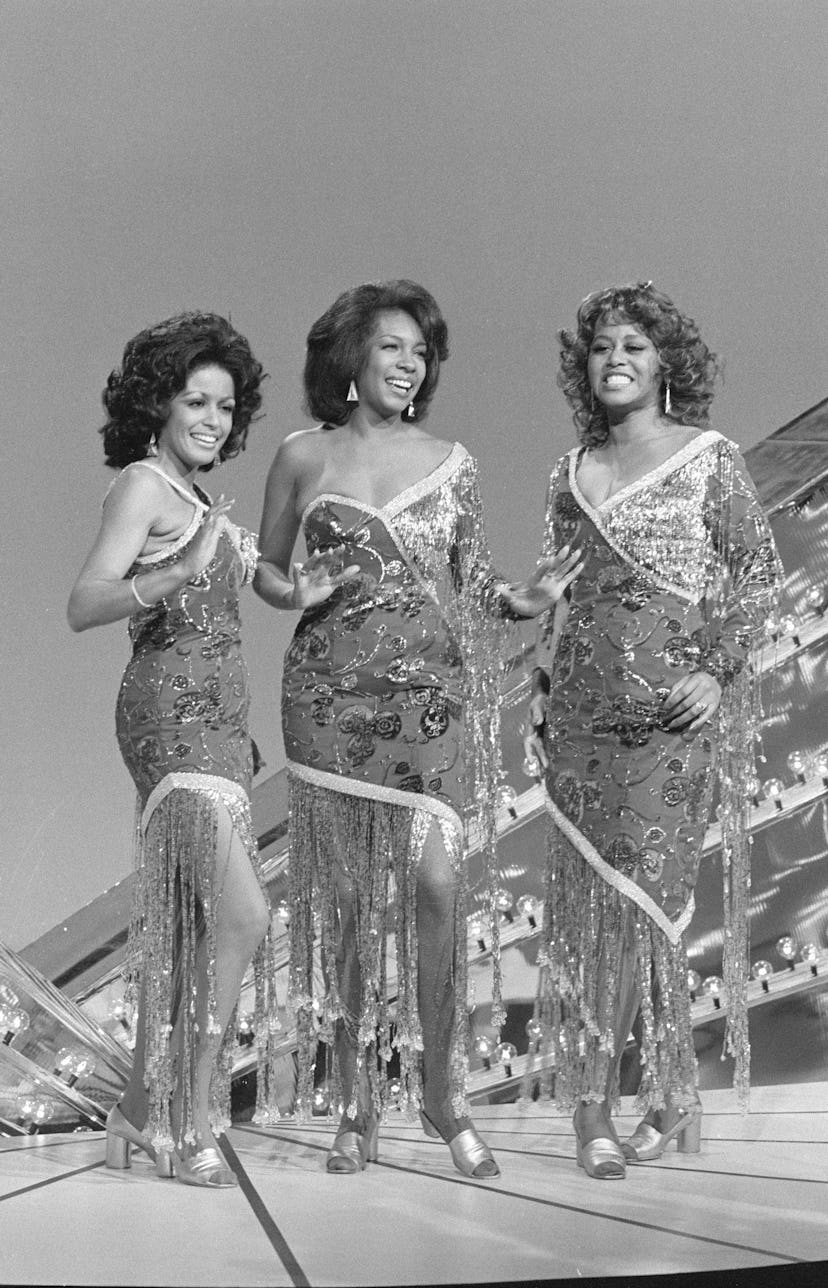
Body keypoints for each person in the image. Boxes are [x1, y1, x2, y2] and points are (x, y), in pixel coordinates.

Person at [254, 279, 581, 1177]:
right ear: (351, 358)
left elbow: (478, 582)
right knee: (353, 907)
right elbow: (268, 572)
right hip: (328, 698)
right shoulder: (299, 455)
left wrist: (525, 600)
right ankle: (357, 1102)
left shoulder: (453, 461)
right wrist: (295, 592)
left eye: (421, 351)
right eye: (394, 346)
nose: (411, 363)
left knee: (436, 888)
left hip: (430, 702)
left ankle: (444, 1094)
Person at [523, 282, 781, 1179]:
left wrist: (717, 669)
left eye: (634, 343)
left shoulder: (710, 458)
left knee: (640, 909)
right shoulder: (569, 474)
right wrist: (541, 685)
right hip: (579, 721)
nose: (616, 358)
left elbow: (758, 578)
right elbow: (559, 600)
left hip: (670, 718)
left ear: (666, 360)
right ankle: (665, 1099)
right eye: (599, 347)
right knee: (589, 913)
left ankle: (601, 1108)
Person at [68, 312, 279, 1188]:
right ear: (158, 404)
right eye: (195, 400)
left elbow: (243, 612)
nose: (212, 418)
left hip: (226, 731)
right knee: (245, 915)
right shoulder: (143, 486)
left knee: (196, 931)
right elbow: (85, 601)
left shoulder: (201, 504)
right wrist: (168, 575)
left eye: (226, 406)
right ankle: (186, 1113)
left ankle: (140, 1113)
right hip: (165, 719)